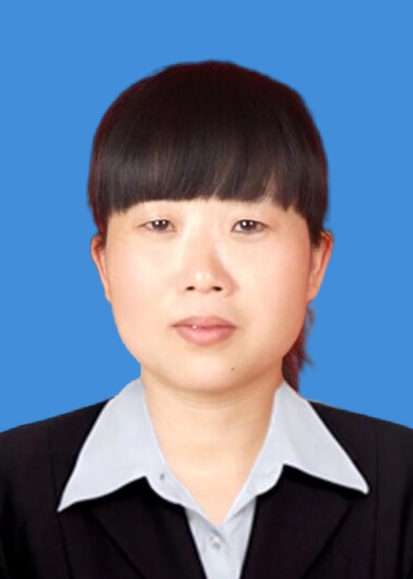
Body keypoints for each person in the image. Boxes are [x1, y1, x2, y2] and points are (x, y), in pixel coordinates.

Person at [0, 61, 412, 579]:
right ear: (103, 264)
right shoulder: (11, 488)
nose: (203, 276)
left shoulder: (403, 485)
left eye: (247, 224)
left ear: (315, 263)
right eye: (159, 224)